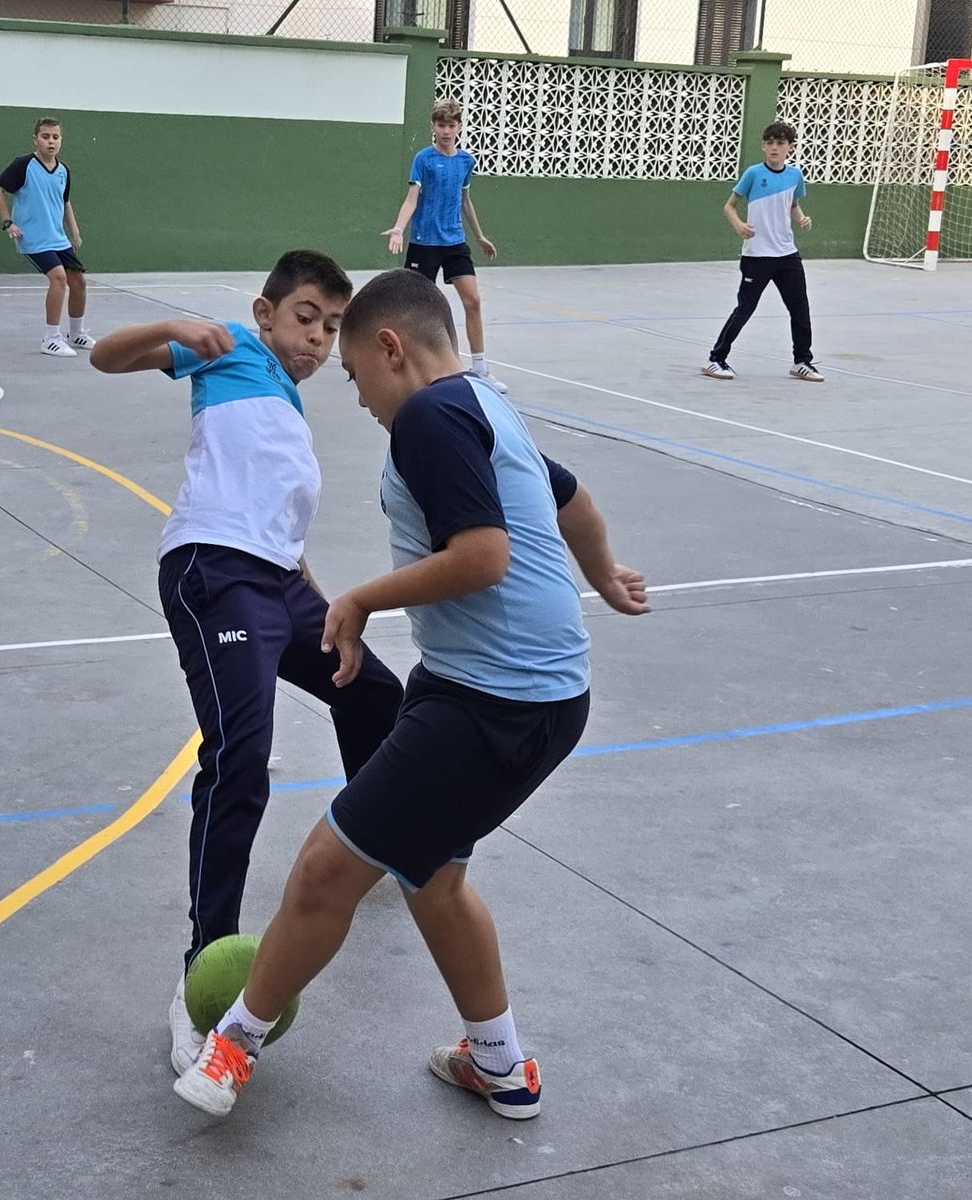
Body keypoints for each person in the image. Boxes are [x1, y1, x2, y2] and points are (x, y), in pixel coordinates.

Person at [171, 268, 649, 1120]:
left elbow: (484, 555)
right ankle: (501, 1065)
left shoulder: (428, 414)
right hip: (534, 696)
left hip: (491, 704)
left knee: (324, 870)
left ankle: (231, 1048)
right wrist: (603, 573)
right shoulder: (487, 403)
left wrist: (357, 600)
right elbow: (569, 500)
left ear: (390, 346)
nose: (360, 399)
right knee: (433, 878)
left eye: (357, 375)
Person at [90, 250, 405, 1078]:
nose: (318, 338)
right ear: (266, 312)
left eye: (333, 327)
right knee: (240, 761)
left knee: (373, 690)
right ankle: (201, 970)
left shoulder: (288, 400)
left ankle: (374, 842)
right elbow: (105, 355)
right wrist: (170, 328)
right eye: (306, 317)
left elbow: (275, 517)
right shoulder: (226, 345)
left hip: (278, 584)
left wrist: (323, 601)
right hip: (213, 573)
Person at [382, 98, 509, 394]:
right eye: (441, 125)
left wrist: (479, 236)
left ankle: (480, 369)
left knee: (473, 300)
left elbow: (465, 201)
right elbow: (411, 198)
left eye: (451, 125)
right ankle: (406, 363)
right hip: (424, 243)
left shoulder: (466, 161)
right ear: (433, 127)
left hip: (455, 242)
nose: (446, 130)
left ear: (459, 127)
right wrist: (399, 229)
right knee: (415, 307)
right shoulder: (423, 159)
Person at [702, 121, 822, 383]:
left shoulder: (795, 176)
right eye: (770, 143)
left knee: (800, 308)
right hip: (757, 255)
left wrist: (801, 218)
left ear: (790, 147)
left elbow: (792, 205)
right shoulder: (753, 174)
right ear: (763, 146)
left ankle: (802, 361)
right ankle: (715, 359)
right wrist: (738, 225)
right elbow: (729, 206)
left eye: (780, 143)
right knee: (745, 308)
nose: (774, 148)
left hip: (787, 254)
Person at [0, 117, 93, 355]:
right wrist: (8, 223)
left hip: (57, 238)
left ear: (61, 141)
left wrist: (74, 231)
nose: (51, 142)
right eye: (45, 136)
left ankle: (76, 334)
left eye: (55, 137)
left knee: (78, 281)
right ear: (35, 139)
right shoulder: (23, 165)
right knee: (58, 278)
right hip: (33, 238)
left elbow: (64, 201)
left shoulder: (63, 171)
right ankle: (51, 338)